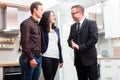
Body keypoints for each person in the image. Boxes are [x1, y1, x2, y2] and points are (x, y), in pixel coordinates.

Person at [67, 5, 98, 80]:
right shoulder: (73, 26)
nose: (72, 16)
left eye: (73, 13)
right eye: (71, 14)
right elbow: (69, 40)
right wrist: (72, 44)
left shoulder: (91, 23)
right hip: (78, 61)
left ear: (80, 13)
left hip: (90, 60)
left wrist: (79, 47)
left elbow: (94, 39)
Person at [19, 1, 43, 80]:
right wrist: (31, 58)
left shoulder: (37, 24)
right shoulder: (26, 23)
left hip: (38, 57)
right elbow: (24, 43)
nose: (42, 12)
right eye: (41, 9)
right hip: (29, 58)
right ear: (35, 10)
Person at [39, 10, 63, 80]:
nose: (54, 17)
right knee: (48, 78)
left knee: (52, 78)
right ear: (47, 17)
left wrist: (61, 59)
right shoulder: (41, 29)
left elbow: (59, 45)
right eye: (52, 16)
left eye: (54, 15)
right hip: (46, 56)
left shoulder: (57, 30)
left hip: (56, 57)